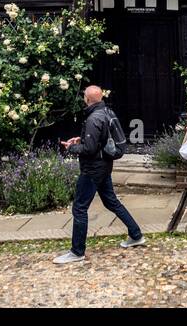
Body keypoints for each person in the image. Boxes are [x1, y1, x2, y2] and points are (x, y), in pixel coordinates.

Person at [54, 85, 145, 264]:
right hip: (104, 166)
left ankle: (77, 251)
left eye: (84, 97)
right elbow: (99, 139)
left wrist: (71, 147)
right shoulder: (106, 112)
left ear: (87, 99)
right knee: (111, 201)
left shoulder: (93, 118)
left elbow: (89, 149)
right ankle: (136, 235)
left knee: (79, 208)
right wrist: (81, 139)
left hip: (92, 169)